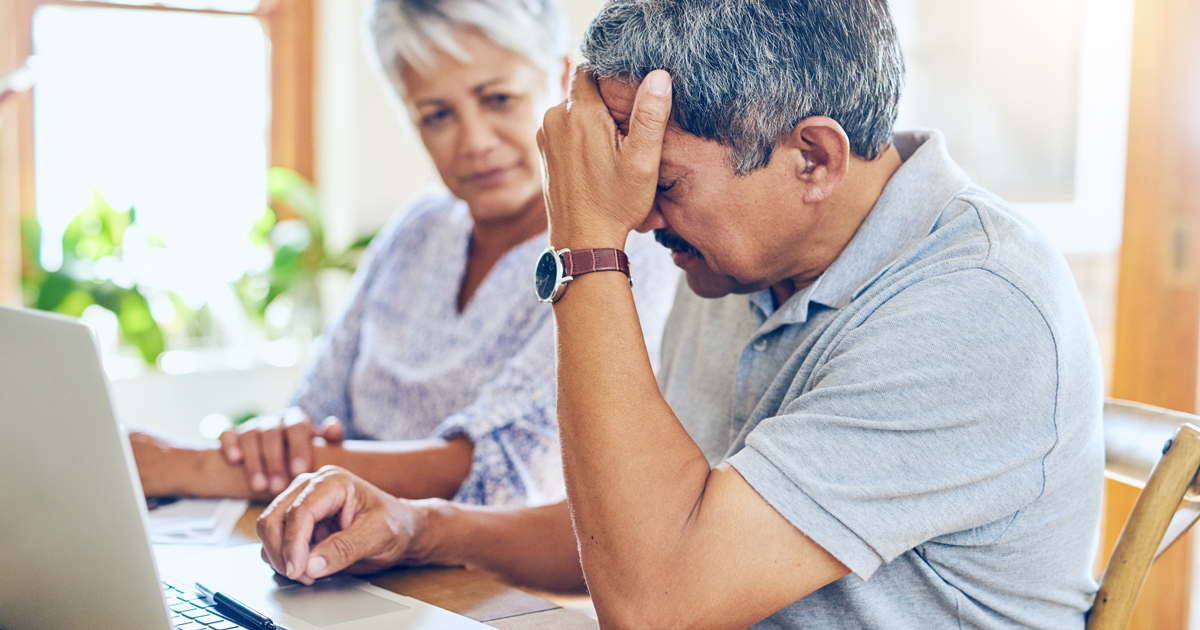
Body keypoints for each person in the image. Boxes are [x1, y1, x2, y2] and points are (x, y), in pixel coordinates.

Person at [255, 0, 1105, 626]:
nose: (639, 217)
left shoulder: (975, 306)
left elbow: (657, 598)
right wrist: (417, 527)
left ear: (812, 157)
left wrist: (587, 246)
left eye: (658, 186)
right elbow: (649, 522)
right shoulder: (745, 258)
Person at [131, 0, 677, 589]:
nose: (474, 141)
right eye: (436, 114)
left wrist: (185, 465)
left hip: (485, 590)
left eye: (498, 99)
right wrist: (280, 435)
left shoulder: (617, 251)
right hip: (335, 568)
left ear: (560, 76)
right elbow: (313, 407)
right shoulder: (417, 227)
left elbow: (502, 473)